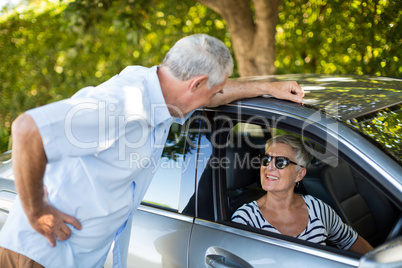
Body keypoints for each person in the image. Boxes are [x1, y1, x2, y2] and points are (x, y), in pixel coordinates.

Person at [0, 34, 304, 267]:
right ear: (195, 84)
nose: (213, 97)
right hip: (40, 255)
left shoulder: (162, 90)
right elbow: (28, 129)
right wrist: (36, 210)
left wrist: (269, 87)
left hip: (74, 255)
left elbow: (215, 95)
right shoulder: (121, 102)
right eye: (210, 91)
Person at [231, 135, 373, 255]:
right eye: (266, 159)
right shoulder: (245, 219)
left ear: (299, 174)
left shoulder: (317, 208)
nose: (269, 167)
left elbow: (350, 240)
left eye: (281, 162)